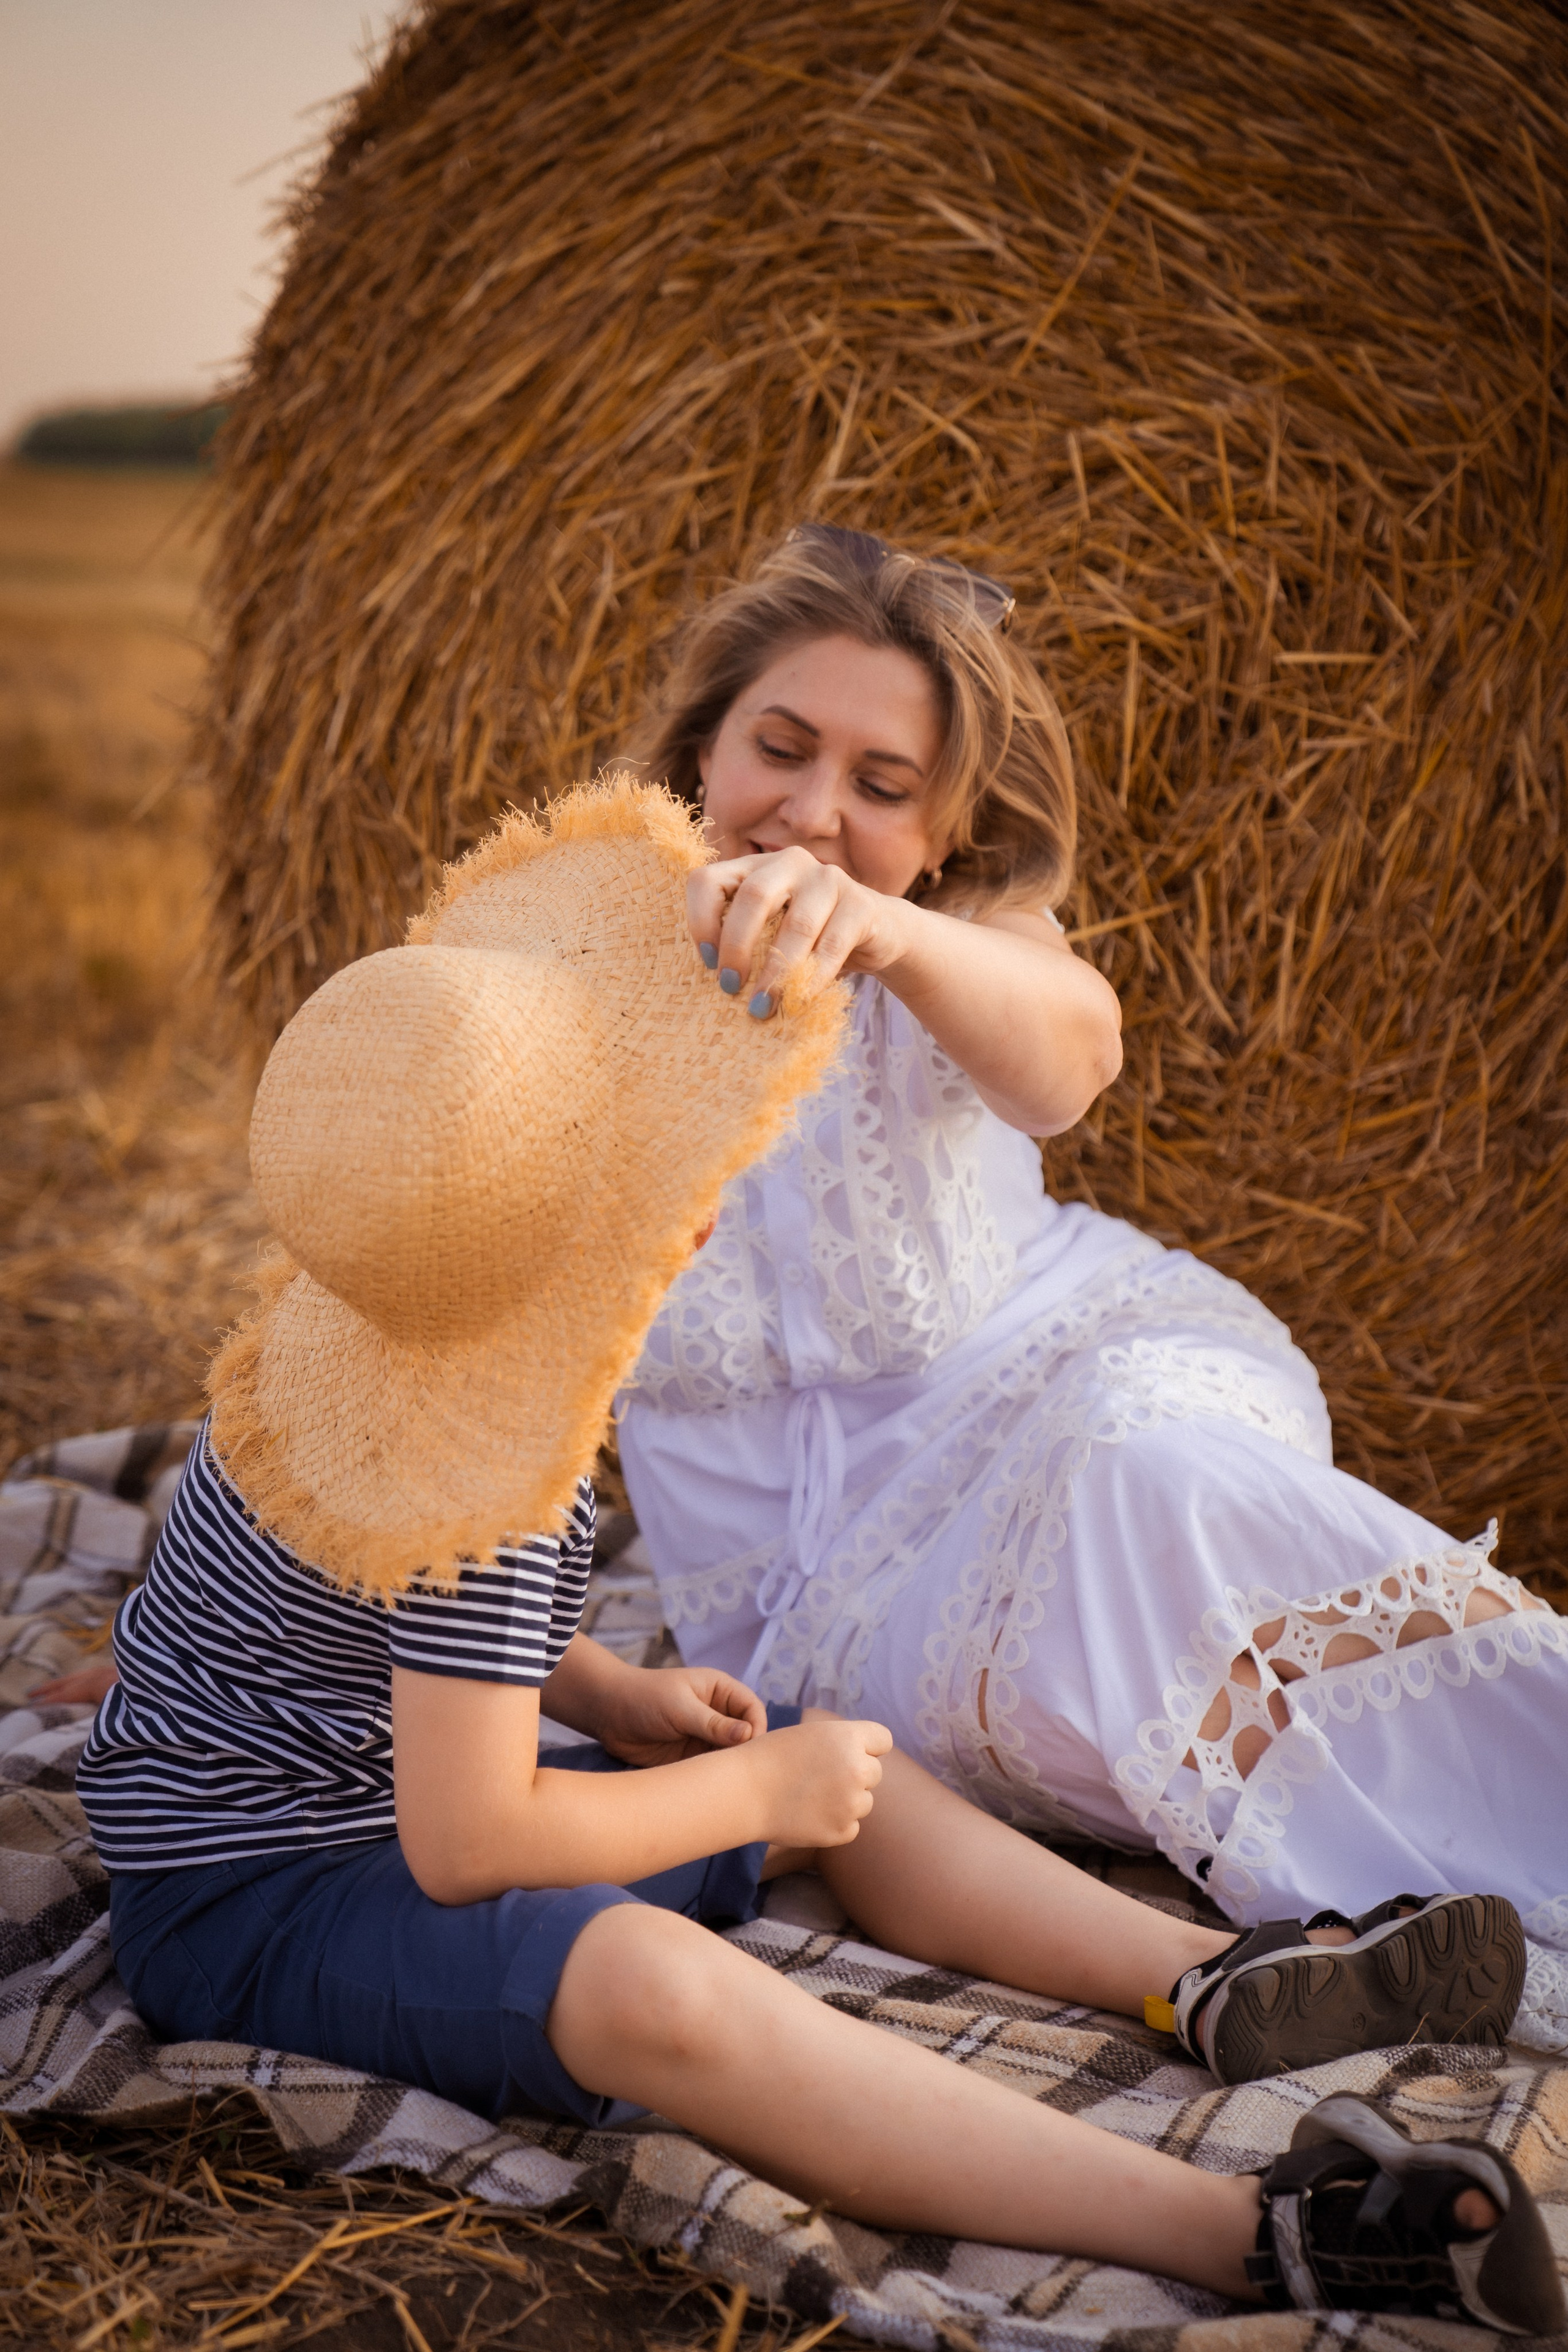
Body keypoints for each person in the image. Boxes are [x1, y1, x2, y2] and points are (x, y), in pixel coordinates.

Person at [71, 785, 1562, 2334]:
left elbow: (370, 1610)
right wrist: (749, 1804)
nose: (717, 1187)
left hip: (360, 1787)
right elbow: (463, 1846)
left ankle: (1205, 1978)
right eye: (685, 1155)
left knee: (820, 1761)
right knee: (656, 1976)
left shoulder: (353, 1324)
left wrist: (615, 1696)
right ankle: (1254, 2232)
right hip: (256, 1896)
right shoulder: (499, 1468)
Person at [614, 524, 1568, 2057]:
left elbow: (1069, 1058)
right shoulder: (577, 970)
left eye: (880, 785)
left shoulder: (963, 938)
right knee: (1084, 1655)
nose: (810, 813)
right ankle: (1421, 1931)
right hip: (816, 1610)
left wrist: (887, 934)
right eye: (778, 750)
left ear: (945, 828)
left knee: (1142, 1481)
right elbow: (408, 1287)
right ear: (700, 749)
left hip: (1083, 1371)